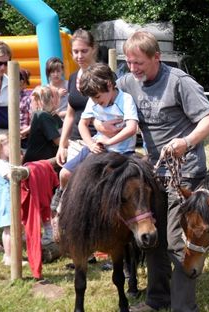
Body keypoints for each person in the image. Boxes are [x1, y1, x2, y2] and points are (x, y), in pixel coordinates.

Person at [96, 31, 209, 312]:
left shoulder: (179, 82)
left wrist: (186, 141)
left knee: (179, 244)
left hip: (185, 174)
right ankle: (158, 298)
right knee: (153, 239)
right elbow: (101, 97)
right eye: (130, 62)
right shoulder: (126, 81)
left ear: (156, 58)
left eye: (139, 63)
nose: (133, 68)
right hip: (152, 175)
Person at [52, 62, 139, 200]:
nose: (95, 102)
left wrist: (109, 141)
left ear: (109, 85)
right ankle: (62, 196)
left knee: (105, 185)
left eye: (97, 97)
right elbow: (82, 124)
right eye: (92, 98)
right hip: (97, 147)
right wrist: (91, 144)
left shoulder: (125, 100)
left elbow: (131, 127)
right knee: (64, 173)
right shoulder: (93, 101)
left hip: (122, 152)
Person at [55, 28, 97, 169]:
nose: (79, 56)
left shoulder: (104, 75)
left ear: (93, 49)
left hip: (96, 142)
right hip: (75, 142)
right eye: (76, 51)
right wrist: (62, 144)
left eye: (84, 51)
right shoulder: (73, 77)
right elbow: (70, 115)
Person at [0, 134, 28, 265]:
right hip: (6, 201)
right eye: (9, 145)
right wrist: (22, 170)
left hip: (11, 201)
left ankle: (12, 256)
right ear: (0, 148)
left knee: (15, 228)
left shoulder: (7, 163)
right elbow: (11, 176)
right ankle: (9, 257)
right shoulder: (0, 164)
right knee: (9, 229)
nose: (13, 148)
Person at [0, 40, 12, 253]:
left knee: (2, 186)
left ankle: (6, 232)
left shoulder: (10, 82)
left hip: (6, 139)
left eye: (4, 63)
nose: (1, 68)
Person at [22, 85, 62, 164]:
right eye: (54, 97)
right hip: (38, 162)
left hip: (46, 159)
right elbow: (58, 141)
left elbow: (63, 131)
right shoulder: (42, 115)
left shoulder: (52, 115)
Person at [19, 68, 32, 150]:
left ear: (22, 82)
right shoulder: (7, 96)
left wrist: (24, 132)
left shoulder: (28, 97)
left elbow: (34, 119)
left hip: (25, 136)